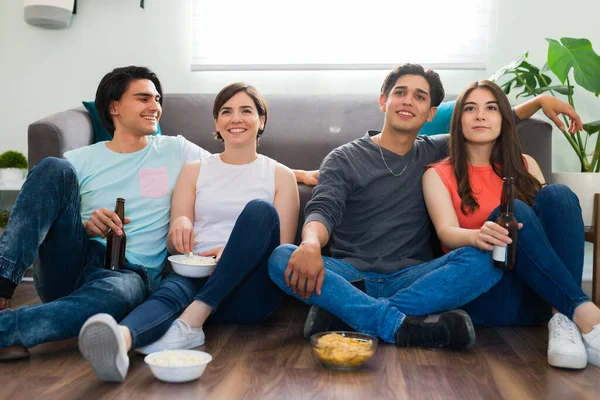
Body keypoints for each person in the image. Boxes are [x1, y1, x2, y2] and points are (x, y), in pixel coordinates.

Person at [0, 67, 313, 361]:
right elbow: (40, 206)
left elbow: (234, 162)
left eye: (157, 99)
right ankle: (2, 283)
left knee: (121, 294)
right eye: (144, 98)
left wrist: (292, 173)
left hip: (125, 276)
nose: (155, 106)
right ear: (114, 108)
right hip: (73, 258)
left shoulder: (175, 150)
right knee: (53, 167)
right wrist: (85, 227)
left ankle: (7, 330)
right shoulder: (78, 159)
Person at [267, 63, 583, 350]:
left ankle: (347, 314)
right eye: (400, 93)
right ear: (383, 101)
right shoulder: (344, 157)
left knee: (486, 254)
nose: (408, 101)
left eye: (419, 97)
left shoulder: (433, 149)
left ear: (430, 112)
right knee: (281, 257)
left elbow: (485, 122)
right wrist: (309, 244)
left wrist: (539, 102)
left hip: (415, 277)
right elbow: (323, 209)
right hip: (350, 275)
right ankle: (398, 325)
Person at [78, 83, 299, 382]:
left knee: (259, 210)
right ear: (217, 123)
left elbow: (281, 252)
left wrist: (231, 252)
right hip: (196, 274)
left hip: (251, 293)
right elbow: (173, 246)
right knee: (171, 291)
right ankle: (121, 340)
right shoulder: (195, 169)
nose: (235, 118)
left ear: (262, 121)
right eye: (226, 111)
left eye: (246, 111)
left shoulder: (280, 175)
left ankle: (191, 321)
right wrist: (179, 225)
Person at [422, 80, 600, 369]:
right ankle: (587, 316)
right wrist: (479, 234)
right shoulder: (437, 174)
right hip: (490, 295)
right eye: (470, 109)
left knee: (559, 195)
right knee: (513, 210)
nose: (481, 115)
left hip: (541, 293)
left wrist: (540, 99)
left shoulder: (526, 164)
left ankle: (565, 319)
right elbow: (446, 233)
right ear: (458, 121)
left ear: (504, 120)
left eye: (491, 108)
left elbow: (549, 232)